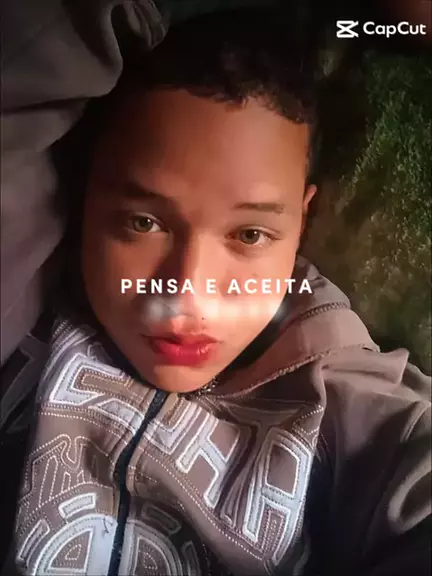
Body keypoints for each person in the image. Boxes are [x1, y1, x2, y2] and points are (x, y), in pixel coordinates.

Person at [1, 8, 430, 576]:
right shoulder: (28, 284)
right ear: (86, 194)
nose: (188, 297)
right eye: (143, 223)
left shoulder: (345, 390)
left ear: (302, 220)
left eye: (250, 234)